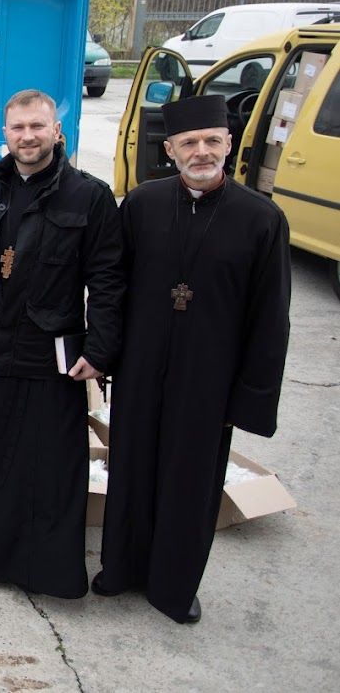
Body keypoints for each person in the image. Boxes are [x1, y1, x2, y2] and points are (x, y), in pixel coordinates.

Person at [95, 93, 290, 624]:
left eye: (211, 141)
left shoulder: (261, 219)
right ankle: (121, 569)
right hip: (140, 367)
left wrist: (248, 400)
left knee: (191, 482)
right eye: (189, 143)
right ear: (170, 149)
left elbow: (270, 319)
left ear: (228, 144)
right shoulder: (141, 205)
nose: (200, 151)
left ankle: (174, 588)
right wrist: (106, 356)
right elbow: (113, 288)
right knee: (131, 469)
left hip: (209, 379)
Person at [0, 89, 122, 599]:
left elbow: (108, 279)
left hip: (52, 351)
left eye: (37, 127)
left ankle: (42, 569)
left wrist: (101, 348)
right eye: (18, 128)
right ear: (5, 133)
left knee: (48, 464)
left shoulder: (89, 195)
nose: (27, 137)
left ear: (57, 131)